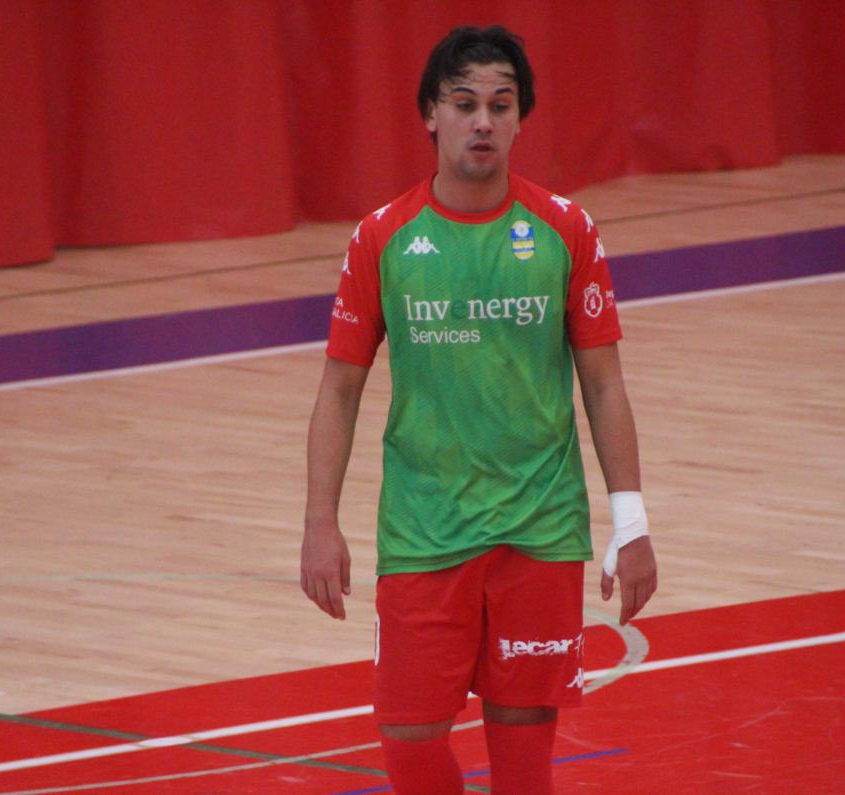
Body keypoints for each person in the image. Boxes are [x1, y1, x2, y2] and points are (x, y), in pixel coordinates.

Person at [301, 24, 657, 794]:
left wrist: (630, 524)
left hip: (539, 530)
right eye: (464, 103)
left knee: (524, 757)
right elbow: (339, 387)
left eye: (501, 104)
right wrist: (319, 522)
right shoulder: (383, 238)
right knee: (409, 737)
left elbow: (604, 383)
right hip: (424, 530)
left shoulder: (566, 229)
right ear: (430, 114)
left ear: (521, 118)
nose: (483, 121)